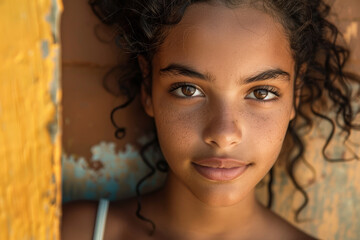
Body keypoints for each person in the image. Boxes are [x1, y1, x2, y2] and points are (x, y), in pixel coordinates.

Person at [61, 0, 360, 239]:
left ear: (295, 92)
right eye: (188, 89)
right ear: (147, 87)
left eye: (261, 93)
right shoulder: (73, 232)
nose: (224, 133)